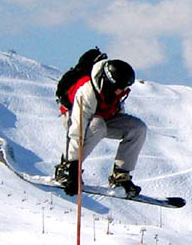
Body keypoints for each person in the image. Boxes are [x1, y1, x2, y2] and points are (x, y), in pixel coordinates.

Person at [54, 57, 147, 198]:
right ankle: (66, 167)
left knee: (137, 129)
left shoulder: (116, 90)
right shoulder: (86, 92)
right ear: (108, 82)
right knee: (98, 125)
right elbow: (76, 130)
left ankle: (120, 177)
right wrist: (74, 167)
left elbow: (115, 111)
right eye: (119, 87)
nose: (120, 91)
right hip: (74, 117)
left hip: (101, 118)